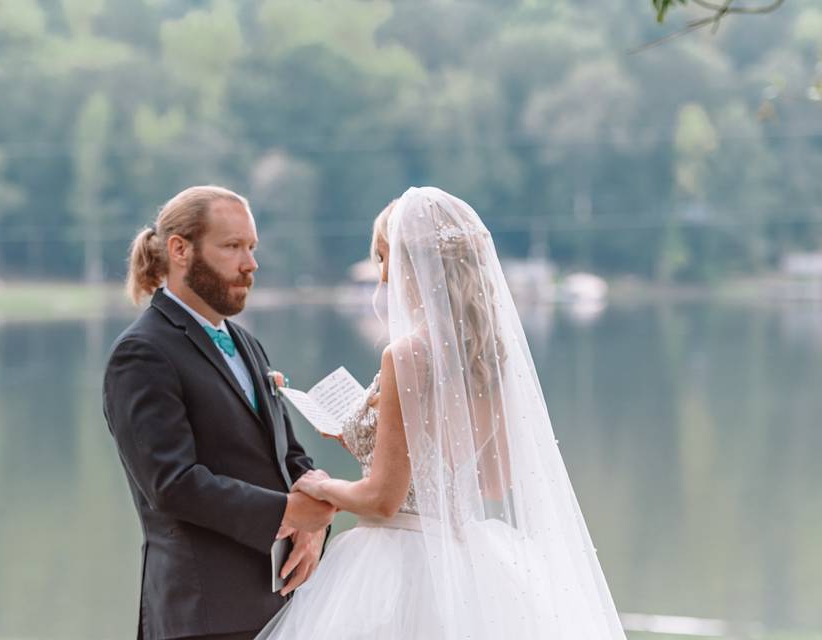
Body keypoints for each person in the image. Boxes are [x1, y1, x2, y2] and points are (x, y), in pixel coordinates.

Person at [255, 187, 626, 639]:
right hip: (464, 557)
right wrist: (368, 437)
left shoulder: (407, 356)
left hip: (393, 561)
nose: (384, 274)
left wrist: (322, 485)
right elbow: (492, 479)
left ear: (412, 262)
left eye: (383, 256)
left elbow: (383, 500)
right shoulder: (492, 356)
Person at [103, 186, 334, 640]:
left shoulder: (247, 343)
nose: (250, 264)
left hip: (278, 607)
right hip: (201, 617)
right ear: (179, 250)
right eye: (232, 247)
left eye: (251, 247)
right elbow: (172, 485)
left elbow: (287, 455)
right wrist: (290, 512)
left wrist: (315, 519)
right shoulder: (142, 352)